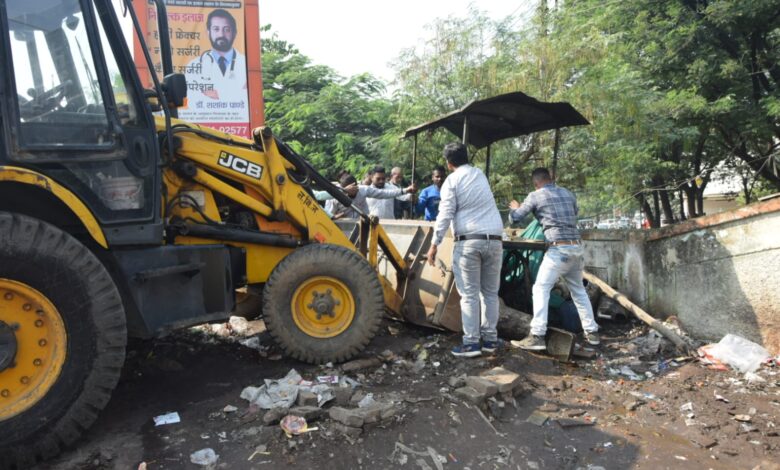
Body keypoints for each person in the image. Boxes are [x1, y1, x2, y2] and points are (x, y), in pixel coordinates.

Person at [507, 168, 600, 351]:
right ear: (551, 178)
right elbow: (573, 213)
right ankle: (592, 332)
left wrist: (515, 209)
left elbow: (515, 220)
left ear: (536, 183)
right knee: (579, 292)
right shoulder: (567, 193)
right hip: (576, 247)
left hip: (558, 249)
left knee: (541, 288)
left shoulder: (535, 196)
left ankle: (537, 335)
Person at [426, 143, 504, 358]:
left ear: (448, 163)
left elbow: (445, 214)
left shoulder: (451, 180)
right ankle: (490, 340)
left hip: (469, 242)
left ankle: (471, 343)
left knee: (469, 295)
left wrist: (434, 244)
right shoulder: (479, 174)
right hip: (495, 240)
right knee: (490, 293)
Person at [184, 9, 246, 103]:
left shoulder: (246, 64)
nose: (221, 34)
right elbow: (192, 99)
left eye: (227, 29)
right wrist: (236, 93)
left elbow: (247, 96)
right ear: (208, 32)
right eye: (216, 29)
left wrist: (218, 95)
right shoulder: (194, 65)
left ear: (234, 33)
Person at [327, 172, 415, 220]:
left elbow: (385, 193)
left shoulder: (364, 190)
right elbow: (327, 214)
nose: (350, 192)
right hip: (342, 227)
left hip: (362, 226)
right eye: (347, 190)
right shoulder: (333, 196)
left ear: (357, 186)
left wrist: (405, 190)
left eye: (353, 190)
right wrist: (333, 217)